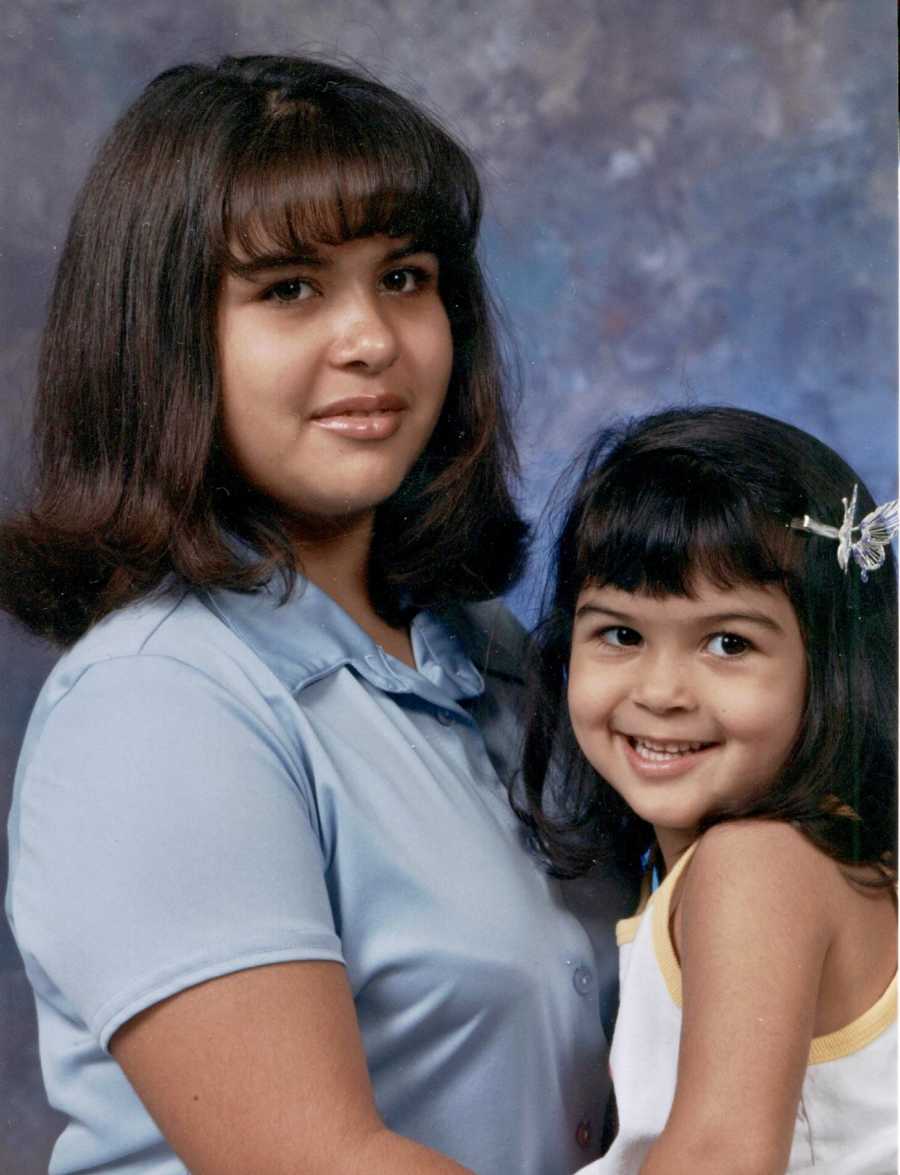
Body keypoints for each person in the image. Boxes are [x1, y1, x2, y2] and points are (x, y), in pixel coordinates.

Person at [2, 55, 628, 1175]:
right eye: (289, 288)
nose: (372, 340)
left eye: (405, 276)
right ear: (163, 339)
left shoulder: (491, 653)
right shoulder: (158, 703)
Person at [517, 406, 897, 1174]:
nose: (661, 691)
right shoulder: (821, 852)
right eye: (620, 634)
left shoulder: (758, 865)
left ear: (828, 664)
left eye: (729, 642)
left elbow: (719, 1155)